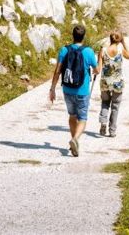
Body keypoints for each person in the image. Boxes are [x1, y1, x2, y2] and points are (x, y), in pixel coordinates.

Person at [50, 25, 100, 157]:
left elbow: (57, 70)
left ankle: (74, 145)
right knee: (82, 118)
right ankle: (75, 139)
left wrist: (52, 89)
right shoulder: (88, 51)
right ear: (84, 36)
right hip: (82, 91)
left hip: (67, 89)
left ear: (72, 35)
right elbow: (96, 70)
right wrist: (100, 61)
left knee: (72, 116)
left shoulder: (64, 50)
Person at [97, 31, 129, 138]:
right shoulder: (121, 50)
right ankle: (112, 131)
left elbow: (98, 69)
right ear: (119, 40)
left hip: (105, 82)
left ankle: (103, 122)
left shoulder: (103, 50)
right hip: (117, 82)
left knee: (105, 102)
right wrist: (124, 42)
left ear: (110, 39)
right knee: (115, 106)